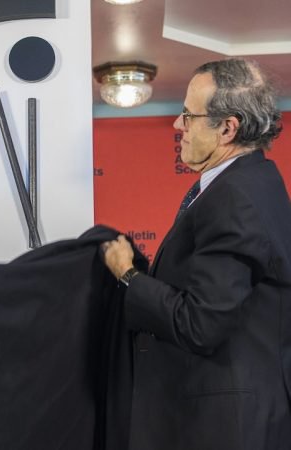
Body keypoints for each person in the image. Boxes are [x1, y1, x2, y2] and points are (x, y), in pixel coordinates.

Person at [102, 59, 291, 450]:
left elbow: (200, 323)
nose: (177, 125)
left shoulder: (235, 197)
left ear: (227, 128)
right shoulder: (255, 182)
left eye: (188, 116)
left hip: (223, 428)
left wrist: (128, 276)